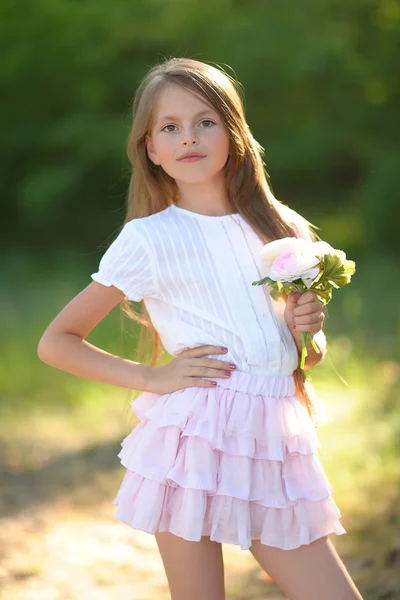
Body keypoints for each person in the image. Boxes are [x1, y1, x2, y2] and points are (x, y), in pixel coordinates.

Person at [38, 57, 364, 600]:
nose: (188, 137)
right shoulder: (149, 239)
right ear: (152, 149)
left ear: (233, 135)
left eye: (205, 122)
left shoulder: (284, 230)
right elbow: (57, 342)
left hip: (273, 437)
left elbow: (303, 357)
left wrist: (311, 332)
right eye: (170, 127)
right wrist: (156, 379)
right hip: (193, 435)